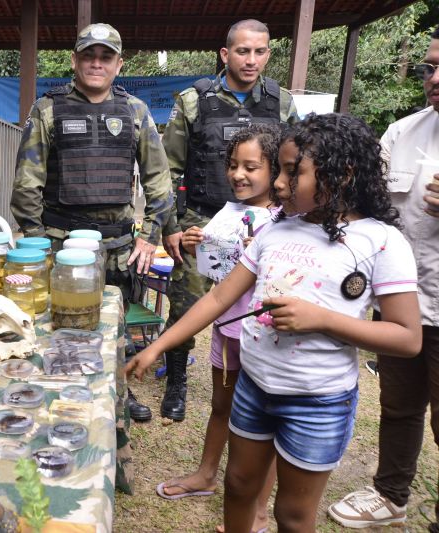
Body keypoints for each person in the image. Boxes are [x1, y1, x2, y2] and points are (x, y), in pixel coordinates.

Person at [127, 113, 422, 531]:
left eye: (292, 172)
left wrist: (322, 319)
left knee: (292, 514)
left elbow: (407, 338)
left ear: (343, 173)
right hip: (254, 387)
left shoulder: (381, 243)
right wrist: (157, 346)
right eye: (279, 170)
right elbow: (218, 296)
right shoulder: (276, 230)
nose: (279, 183)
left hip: (317, 403)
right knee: (239, 484)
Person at [10, 23, 172, 491]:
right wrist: (40, 248)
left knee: (116, 340)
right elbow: (27, 186)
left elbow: (159, 182)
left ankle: (117, 417)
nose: (97, 63)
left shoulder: (136, 111)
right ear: (76, 60)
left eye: (107, 56)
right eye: (89, 55)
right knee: (60, 338)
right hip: (63, 250)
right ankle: (59, 424)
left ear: (119, 64)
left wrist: (150, 236)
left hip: (120, 251)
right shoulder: (48, 110)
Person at [327, 26, 439, 530]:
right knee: (398, 406)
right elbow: (373, 207)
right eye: (429, 67)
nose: (434, 78)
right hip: (402, 302)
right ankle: (391, 495)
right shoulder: (405, 131)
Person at [159, 19, 299, 421]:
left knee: (262, 309)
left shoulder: (282, 103)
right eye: (242, 51)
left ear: (268, 54)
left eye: (259, 51)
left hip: (266, 226)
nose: (251, 59)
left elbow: (295, 166)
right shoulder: (193, 101)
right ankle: (177, 381)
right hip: (203, 225)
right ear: (226, 54)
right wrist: (171, 226)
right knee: (185, 307)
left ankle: (256, 383)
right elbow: (168, 170)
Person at [156, 124, 280, 533]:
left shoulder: (284, 223)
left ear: (276, 170)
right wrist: (199, 242)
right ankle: (206, 475)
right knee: (220, 407)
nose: (238, 174)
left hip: (266, 336)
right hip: (227, 330)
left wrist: (261, 252)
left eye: (251, 167)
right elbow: (217, 278)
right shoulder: (227, 216)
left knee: (267, 420)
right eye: (232, 165)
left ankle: (260, 508)